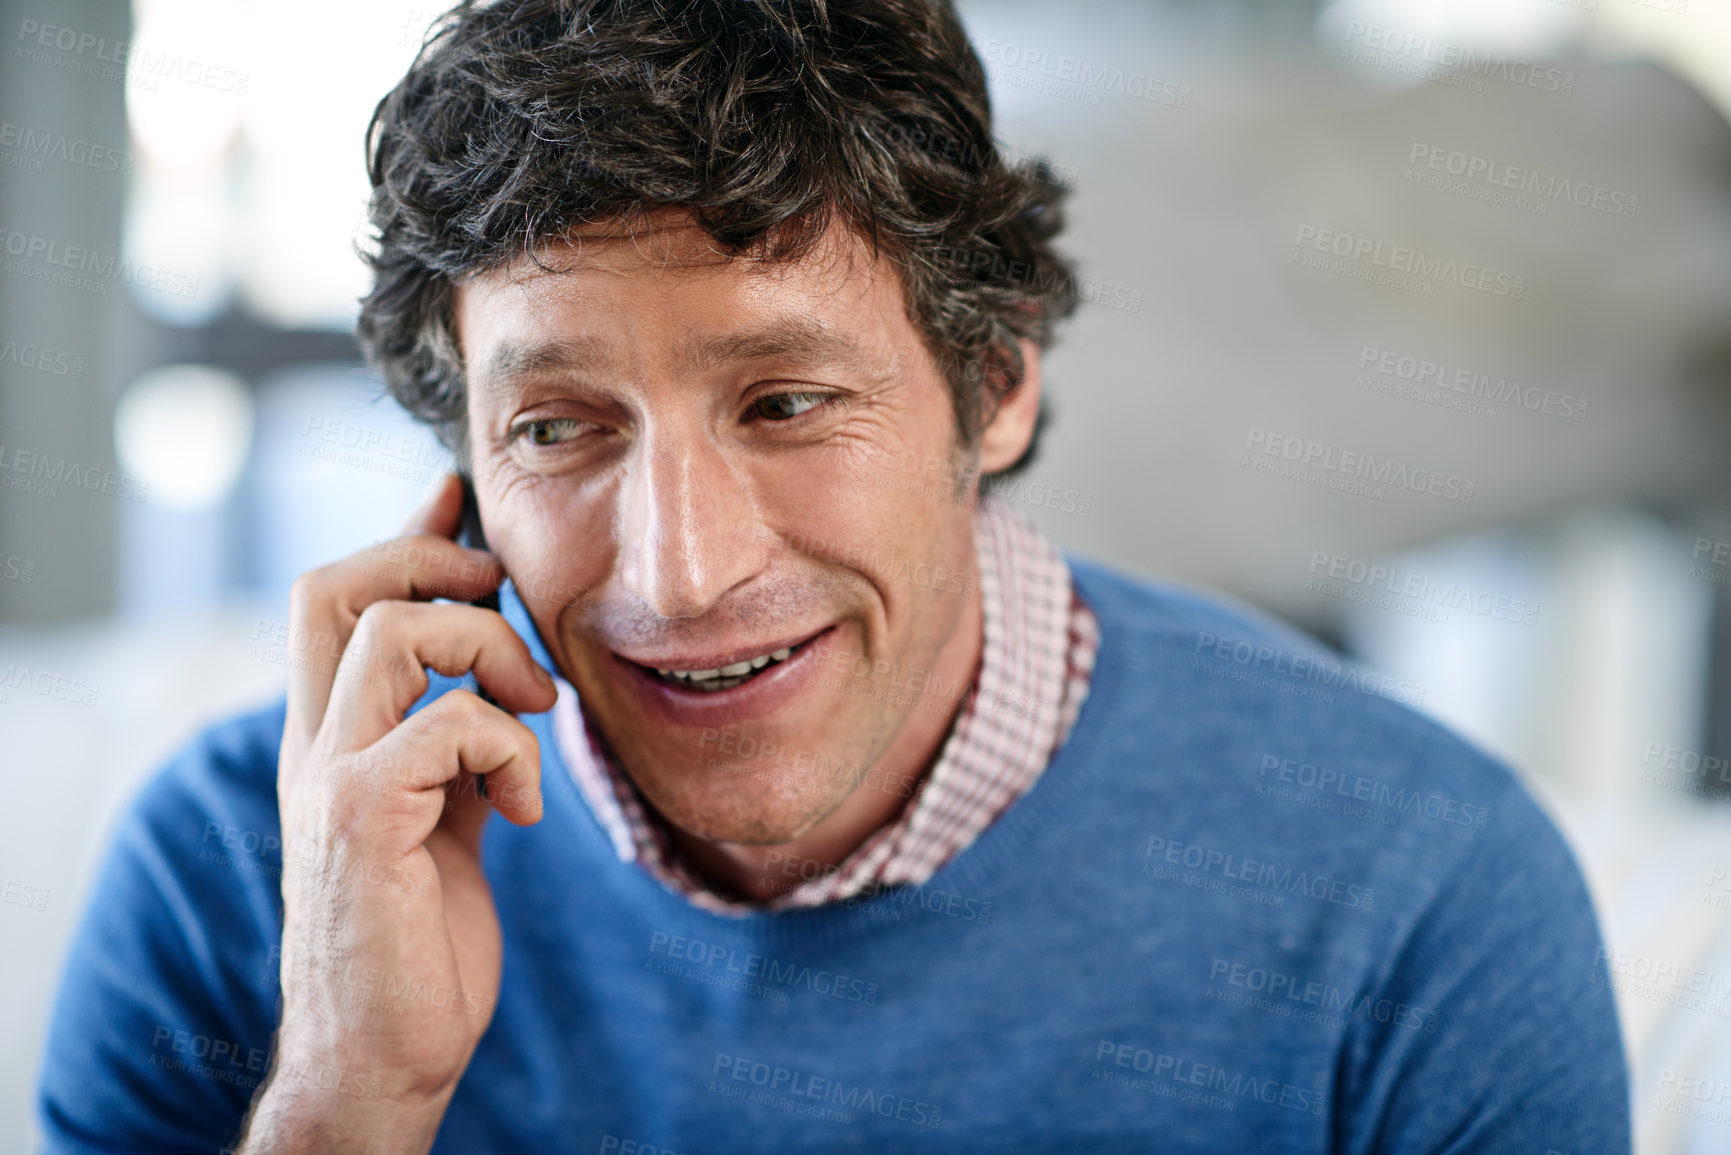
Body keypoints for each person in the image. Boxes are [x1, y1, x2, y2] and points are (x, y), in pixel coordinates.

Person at [36, 0, 1631, 1151]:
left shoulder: (1424, 899)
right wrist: (346, 1101)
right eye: (559, 427)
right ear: (461, 479)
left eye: (786, 404)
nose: (680, 569)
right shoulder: (237, 874)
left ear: (994, 384)